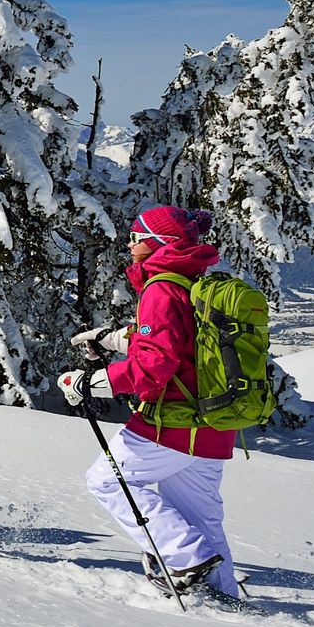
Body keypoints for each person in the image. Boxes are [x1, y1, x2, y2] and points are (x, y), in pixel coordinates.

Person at [59, 205, 245, 602]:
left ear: (158, 243)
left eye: (135, 237)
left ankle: (184, 557)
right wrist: (112, 338)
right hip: (214, 425)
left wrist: (92, 382)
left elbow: (154, 365)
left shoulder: (161, 288)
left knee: (107, 480)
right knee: (201, 517)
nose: (129, 244)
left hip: (173, 422)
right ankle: (221, 597)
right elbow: (181, 344)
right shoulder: (192, 280)